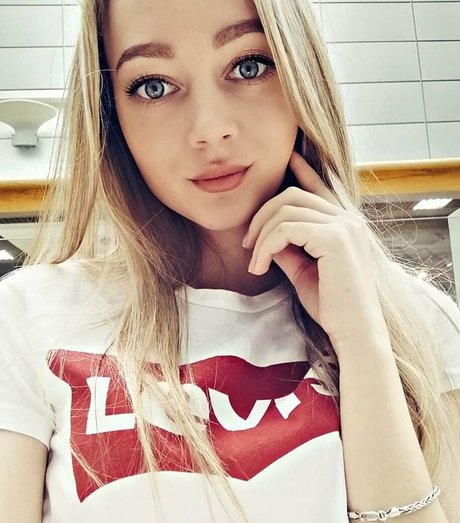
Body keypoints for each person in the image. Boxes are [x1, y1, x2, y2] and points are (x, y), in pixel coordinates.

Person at [0, 0, 459, 521]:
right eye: (154, 86)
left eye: (249, 65)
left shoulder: (419, 320)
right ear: (110, 114)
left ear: (301, 73)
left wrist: (362, 341)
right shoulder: (29, 315)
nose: (209, 129)